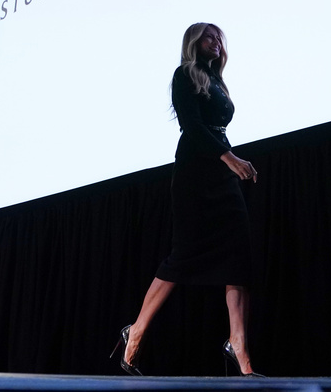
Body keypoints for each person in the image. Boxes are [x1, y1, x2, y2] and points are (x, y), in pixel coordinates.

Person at [112, 23, 261, 376]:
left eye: (219, 37)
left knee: (238, 257)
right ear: (194, 42)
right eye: (209, 36)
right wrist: (230, 158)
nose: (216, 41)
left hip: (221, 174)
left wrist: (228, 161)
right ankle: (136, 331)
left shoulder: (218, 82)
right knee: (184, 256)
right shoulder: (185, 75)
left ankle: (239, 347)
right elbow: (192, 127)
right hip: (195, 174)